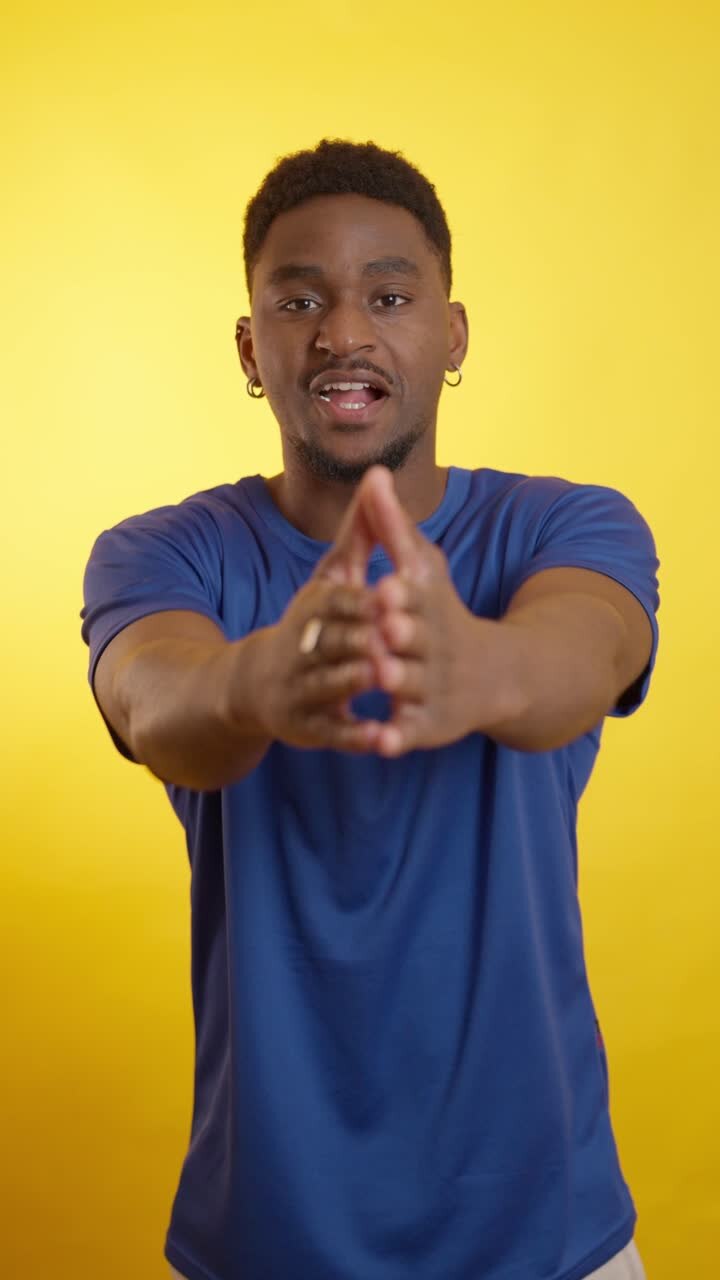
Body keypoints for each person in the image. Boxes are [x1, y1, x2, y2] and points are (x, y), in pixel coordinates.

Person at [80, 139, 658, 1280]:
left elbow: (579, 654)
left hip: (552, 1245)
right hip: (265, 1246)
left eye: (389, 295)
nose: (344, 332)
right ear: (253, 349)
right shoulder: (161, 554)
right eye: (299, 300)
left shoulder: (571, 526)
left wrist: (473, 665)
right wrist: (260, 680)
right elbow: (160, 698)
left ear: (451, 333)